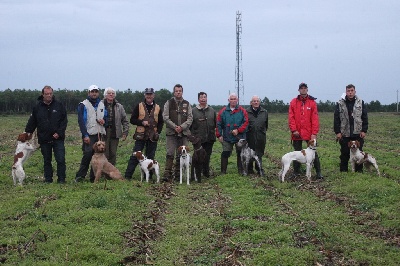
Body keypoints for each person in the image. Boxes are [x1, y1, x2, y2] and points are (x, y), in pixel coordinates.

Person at [25, 85, 68, 183]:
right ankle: (48, 179)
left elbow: (64, 121)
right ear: (42, 95)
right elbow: (32, 121)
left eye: (50, 94)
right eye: (46, 94)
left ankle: (61, 179)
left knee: (60, 159)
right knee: (47, 160)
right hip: (44, 138)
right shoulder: (37, 107)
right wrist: (28, 132)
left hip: (58, 138)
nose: (49, 96)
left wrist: (59, 133)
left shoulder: (59, 105)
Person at [125, 88, 163, 180]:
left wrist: (158, 131)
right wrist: (142, 122)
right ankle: (127, 176)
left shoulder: (158, 107)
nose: (149, 96)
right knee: (135, 155)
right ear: (145, 95)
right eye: (147, 94)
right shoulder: (139, 106)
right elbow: (132, 119)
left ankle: (149, 177)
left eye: (150, 94)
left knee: (150, 156)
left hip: (152, 136)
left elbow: (161, 122)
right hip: (140, 135)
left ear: (153, 95)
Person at [288, 82, 323, 179]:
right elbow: (291, 117)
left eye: (305, 88)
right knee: (296, 153)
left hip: (309, 133)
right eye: (301, 88)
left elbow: (315, 119)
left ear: (307, 89)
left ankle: (318, 172)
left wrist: (314, 133)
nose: (303, 89)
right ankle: (296, 171)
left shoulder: (312, 103)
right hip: (297, 133)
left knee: (313, 153)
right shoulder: (293, 102)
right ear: (298, 90)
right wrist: (294, 130)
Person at [334, 84, 368, 172]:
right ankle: (344, 171)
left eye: (352, 91)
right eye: (348, 91)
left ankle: (359, 171)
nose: (350, 93)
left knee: (359, 153)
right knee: (344, 153)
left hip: (357, 132)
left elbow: (364, 117)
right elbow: (336, 118)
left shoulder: (360, 102)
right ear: (346, 92)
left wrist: (364, 130)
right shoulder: (340, 103)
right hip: (345, 133)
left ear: (355, 91)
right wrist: (338, 132)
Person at [75, 85, 106, 182]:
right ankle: (80, 176)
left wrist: (104, 121)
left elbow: (106, 116)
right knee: (88, 155)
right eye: (92, 92)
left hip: (99, 133)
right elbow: (81, 121)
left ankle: (94, 178)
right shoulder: (83, 104)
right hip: (89, 134)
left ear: (98, 93)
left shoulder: (101, 104)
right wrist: (85, 135)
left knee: (98, 155)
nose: (94, 93)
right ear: (89, 93)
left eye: (96, 92)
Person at [163, 84, 193, 181]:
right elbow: (165, 117)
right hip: (171, 132)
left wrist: (182, 127)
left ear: (182, 92)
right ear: (174, 92)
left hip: (183, 133)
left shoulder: (187, 104)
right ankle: (167, 174)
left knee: (181, 153)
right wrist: (175, 127)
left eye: (180, 91)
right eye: (176, 91)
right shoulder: (168, 103)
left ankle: (178, 174)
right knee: (170, 153)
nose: (178, 92)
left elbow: (190, 118)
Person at [216, 92, 249, 174]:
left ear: (237, 100)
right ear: (228, 100)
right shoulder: (223, 111)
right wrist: (219, 135)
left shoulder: (242, 111)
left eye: (235, 99)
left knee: (240, 153)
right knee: (225, 153)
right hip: (227, 136)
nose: (233, 101)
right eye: (231, 99)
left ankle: (241, 170)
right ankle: (223, 171)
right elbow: (218, 123)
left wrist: (238, 130)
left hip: (239, 137)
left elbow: (246, 123)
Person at [190, 92, 216, 178]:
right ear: (198, 99)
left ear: (207, 98)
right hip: (198, 139)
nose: (203, 99)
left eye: (204, 97)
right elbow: (190, 125)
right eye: (201, 97)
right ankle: (196, 174)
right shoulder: (193, 111)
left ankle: (206, 172)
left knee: (207, 156)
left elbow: (216, 123)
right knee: (198, 157)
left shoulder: (212, 110)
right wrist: (193, 136)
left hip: (209, 137)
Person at [103, 87, 129, 166]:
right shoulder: (100, 104)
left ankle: (111, 172)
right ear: (105, 95)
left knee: (113, 153)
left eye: (113, 93)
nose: (111, 94)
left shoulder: (119, 106)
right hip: (103, 132)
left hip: (115, 132)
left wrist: (125, 132)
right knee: (104, 152)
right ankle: (103, 172)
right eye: (109, 93)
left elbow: (125, 120)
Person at [245, 95, 268, 176]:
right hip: (249, 136)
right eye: (254, 101)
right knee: (249, 153)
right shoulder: (246, 112)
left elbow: (266, 125)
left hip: (260, 136)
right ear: (251, 103)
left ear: (259, 102)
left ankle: (259, 169)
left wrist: (262, 132)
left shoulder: (264, 112)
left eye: (257, 101)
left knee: (259, 153)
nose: (256, 102)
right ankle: (250, 170)